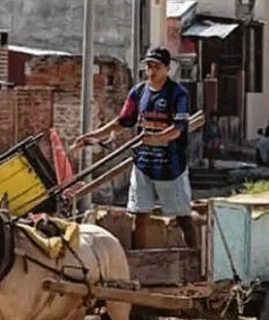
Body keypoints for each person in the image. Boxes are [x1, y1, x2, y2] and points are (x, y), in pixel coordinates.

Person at [72, 47, 198, 249]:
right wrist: (91, 136)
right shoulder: (138, 93)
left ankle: (194, 260)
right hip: (143, 165)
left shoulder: (177, 94)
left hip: (171, 167)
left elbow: (178, 129)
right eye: (148, 66)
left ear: (168, 68)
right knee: (139, 216)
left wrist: (156, 138)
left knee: (183, 218)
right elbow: (122, 122)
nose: (152, 70)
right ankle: (139, 263)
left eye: (157, 66)